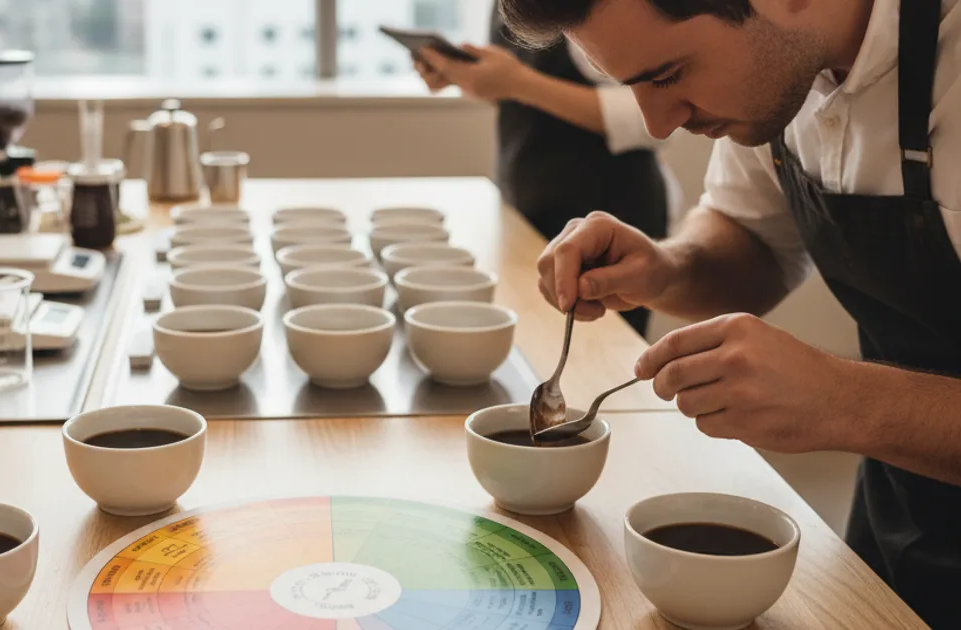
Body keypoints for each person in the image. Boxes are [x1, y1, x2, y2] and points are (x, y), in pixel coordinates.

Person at [501, 0, 961, 625]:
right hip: (901, 517)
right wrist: (668, 269)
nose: (658, 125)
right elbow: (753, 238)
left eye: (665, 75)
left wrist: (844, 401)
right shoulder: (782, 71)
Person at [411, 7, 670, 337]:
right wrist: (472, 78)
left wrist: (520, 83)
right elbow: (521, 90)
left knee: (598, 362)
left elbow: (648, 121)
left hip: (607, 215)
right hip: (524, 212)